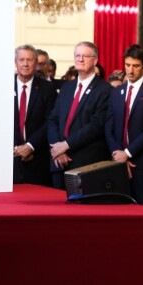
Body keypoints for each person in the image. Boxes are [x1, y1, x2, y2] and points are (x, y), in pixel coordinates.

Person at [105, 44, 143, 206]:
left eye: (136, 66)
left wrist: (128, 153)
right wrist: (118, 154)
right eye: (127, 65)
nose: (130, 70)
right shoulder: (116, 92)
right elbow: (109, 127)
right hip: (117, 162)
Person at [47, 42, 112, 189]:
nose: (80, 59)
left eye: (85, 56)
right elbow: (53, 119)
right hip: (59, 161)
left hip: (85, 163)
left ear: (95, 61)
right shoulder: (66, 87)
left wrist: (66, 145)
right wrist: (57, 149)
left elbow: (96, 125)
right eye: (77, 55)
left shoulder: (105, 90)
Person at [13, 45, 56, 187]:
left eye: (29, 60)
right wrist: (15, 148)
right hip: (9, 161)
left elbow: (50, 121)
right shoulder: (3, 86)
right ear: (15, 62)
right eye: (21, 60)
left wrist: (30, 146)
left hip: (37, 160)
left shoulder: (48, 89)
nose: (25, 64)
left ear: (36, 63)